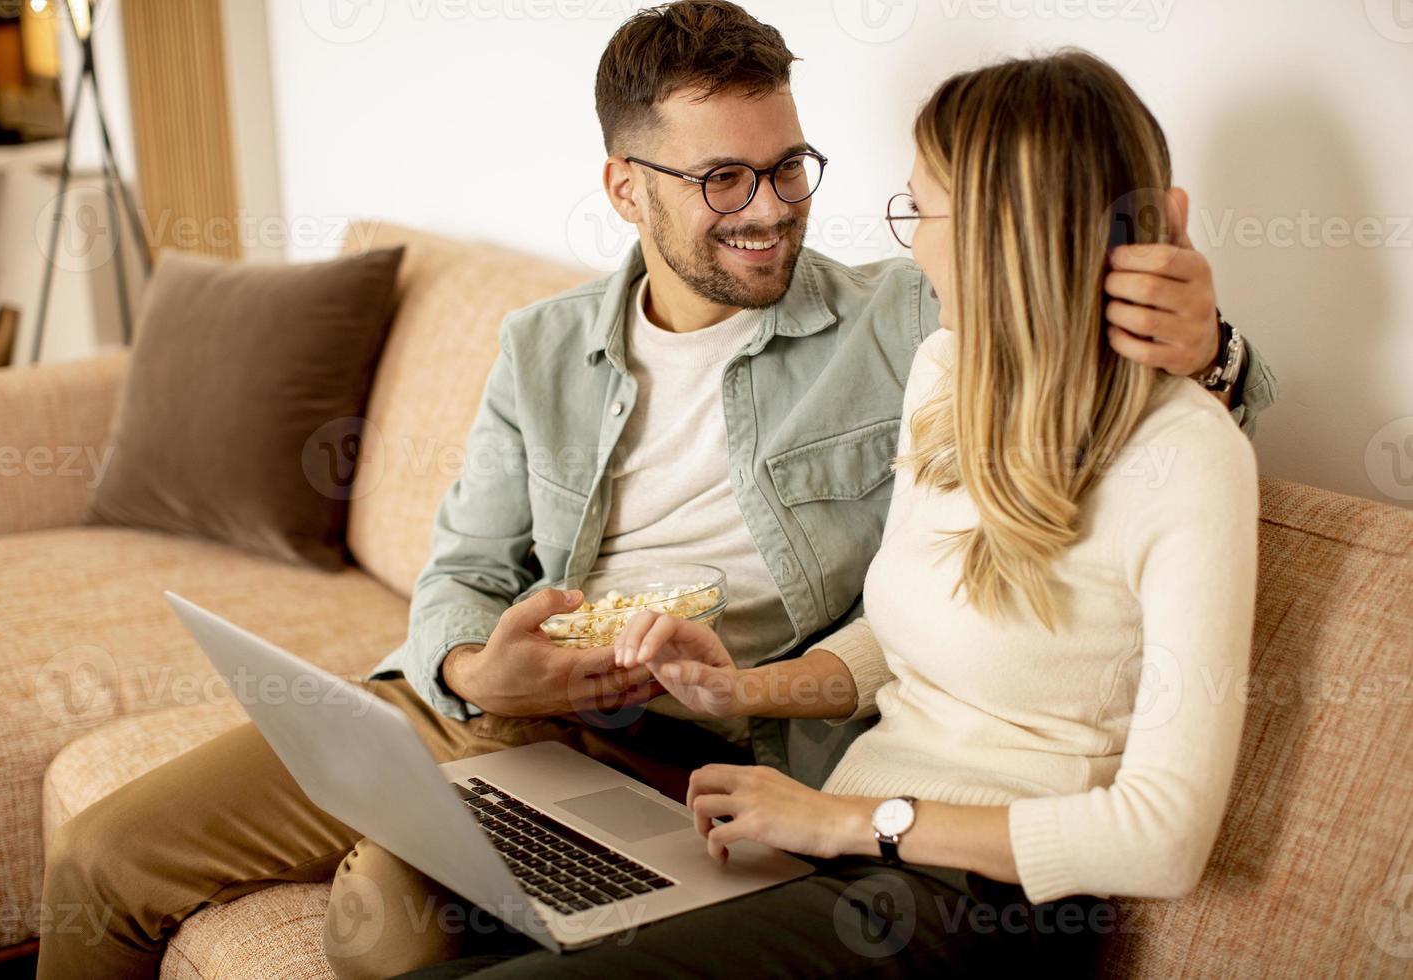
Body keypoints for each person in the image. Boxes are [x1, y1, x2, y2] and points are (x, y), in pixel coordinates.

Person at [35, 5, 1273, 978]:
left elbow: (1076, 356)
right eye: (722, 180)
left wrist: (1214, 347)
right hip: (517, 706)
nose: (773, 208)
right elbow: (462, 569)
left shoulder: (906, 317)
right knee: (101, 855)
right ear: (627, 188)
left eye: (789, 166)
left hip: (700, 751)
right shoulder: (541, 346)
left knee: (386, 918)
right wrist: (478, 669)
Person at [394, 47, 1260, 980]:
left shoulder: (1191, 458)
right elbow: (904, 633)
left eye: (919, 210)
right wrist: (741, 691)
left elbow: (1162, 841)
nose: (911, 247)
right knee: (428, 934)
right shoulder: (946, 374)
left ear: (1001, 236)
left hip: (967, 896)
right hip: (828, 844)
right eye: (724, 177)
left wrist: (846, 820)